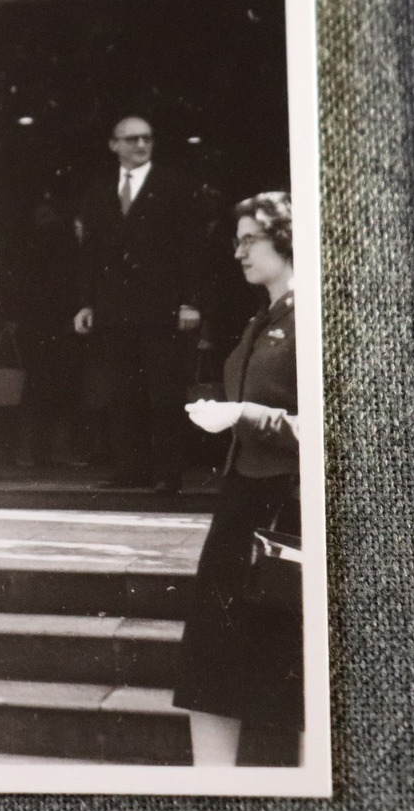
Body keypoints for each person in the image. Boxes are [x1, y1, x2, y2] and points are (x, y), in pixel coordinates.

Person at [174, 191, 302, 765]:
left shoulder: (315, 315)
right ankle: (213, 787)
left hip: (290, 504)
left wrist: (243, 415)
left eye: (250, 239)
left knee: (297, 664)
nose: (239, 252)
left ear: (285, 236)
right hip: (243, 497)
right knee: (211, 654)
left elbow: (332, 428)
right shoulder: (265, 316)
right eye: (237, 241)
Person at [73, 115, 202, 492]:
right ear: (113, 144)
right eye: (131, 139)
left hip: (163, 309)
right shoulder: (98, 192)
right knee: (122, 393)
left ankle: (167, 473)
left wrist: (190, 302)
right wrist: (86, 303)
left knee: (164, 393)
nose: (141, 145)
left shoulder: (175, 188)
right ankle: (131, 471)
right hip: (114, 309)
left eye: (146, 138)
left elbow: (192, 250)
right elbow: (90, 254)